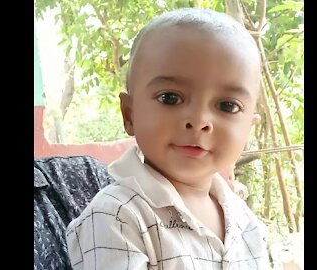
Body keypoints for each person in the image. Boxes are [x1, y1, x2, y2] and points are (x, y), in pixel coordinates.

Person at [66, 7, 271, 270]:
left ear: (248, 128)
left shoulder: (245, 221)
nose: (199, 121)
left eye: (228, 106)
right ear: (129, 115)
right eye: (170, 98)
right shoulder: (117, 216)